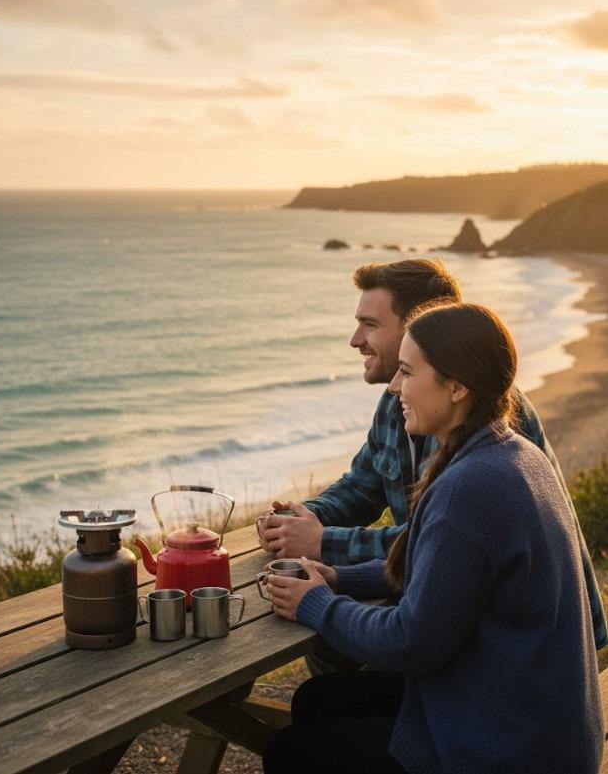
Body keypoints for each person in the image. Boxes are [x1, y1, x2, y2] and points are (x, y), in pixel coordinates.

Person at [262, 303, 604, 774]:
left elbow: (410, 641)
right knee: (321, 699)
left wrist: (316, 603)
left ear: (458, 386)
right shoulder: (510, 449)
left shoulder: (472, 486)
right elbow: (440, 571)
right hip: (531, 714)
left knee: (292, 752)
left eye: (407, 372)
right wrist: (339, 577)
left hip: (509, 747)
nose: (396, 387)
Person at [258, 259, 607, 654]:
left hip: (526, 649)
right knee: (329, 660)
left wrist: (325, 544)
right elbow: (362, 487)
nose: (355, 340)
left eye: (370, 324)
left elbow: (441, 545)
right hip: (452, 605)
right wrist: (299, 520)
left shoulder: (497, 424)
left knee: (330, 664)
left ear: (419, 332)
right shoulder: (401, 405)